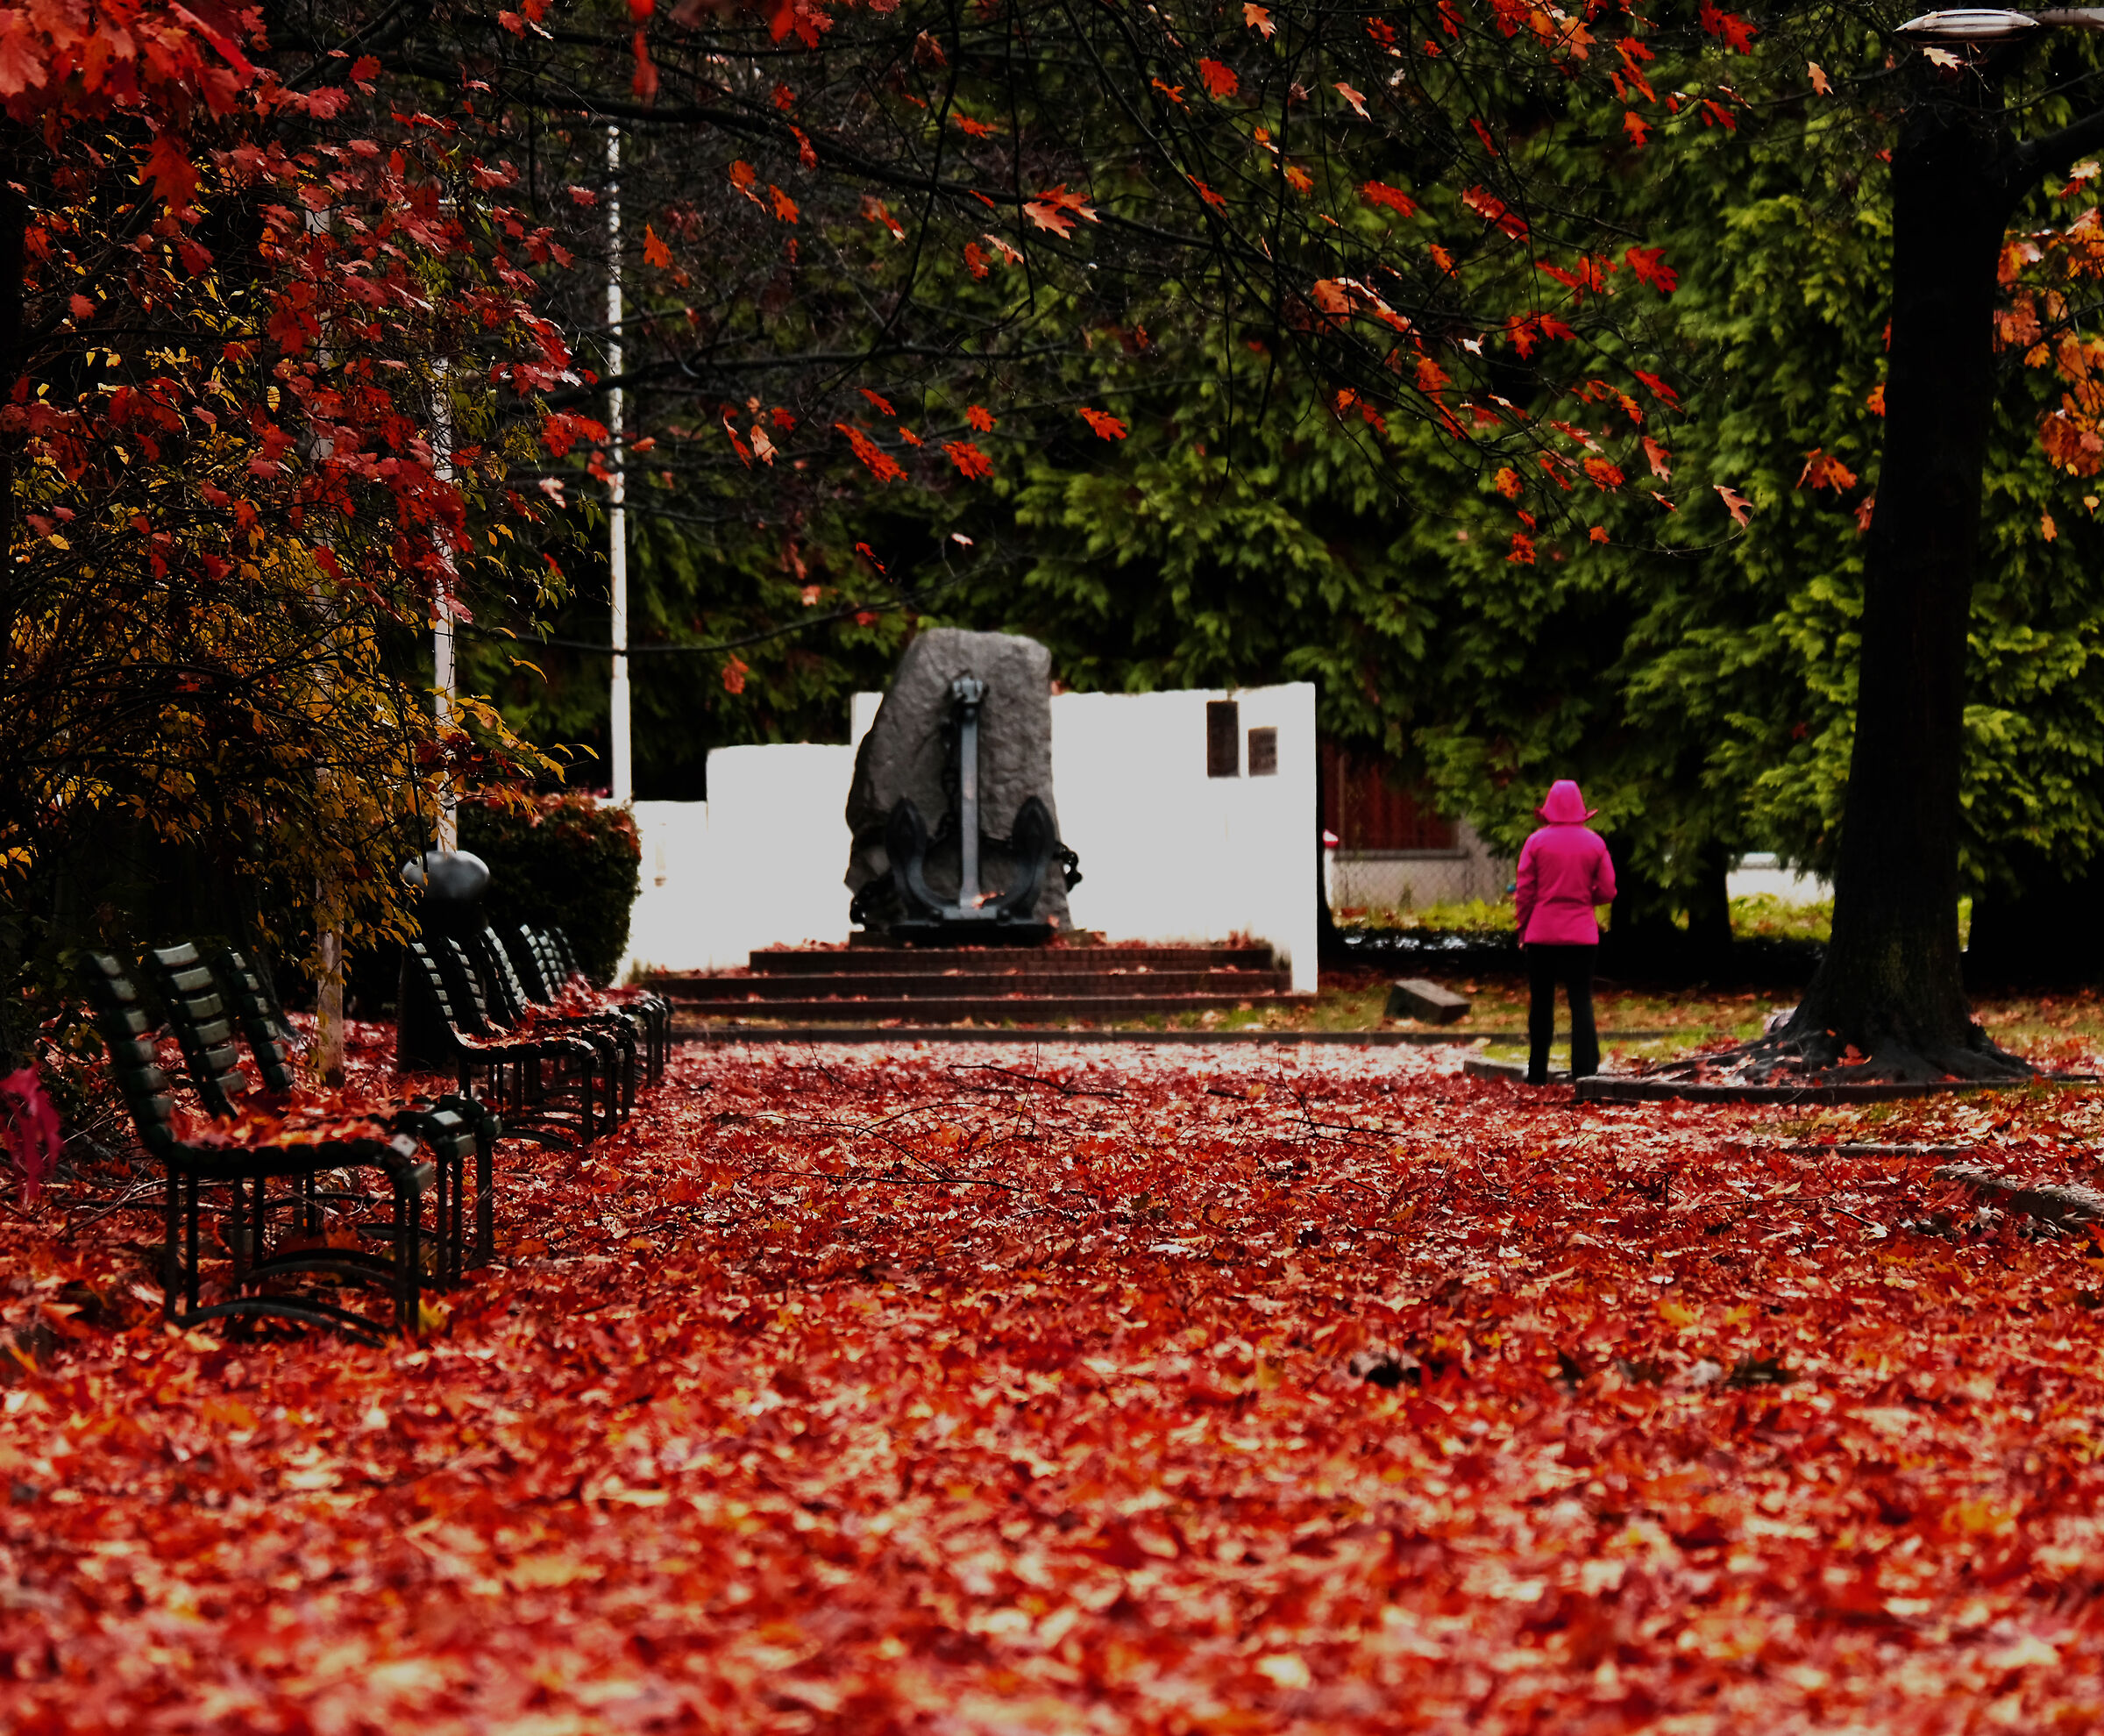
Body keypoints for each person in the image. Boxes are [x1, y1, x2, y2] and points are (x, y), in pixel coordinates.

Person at [1514, 779, 1617, 1085]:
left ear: (1549, 808)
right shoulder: (1595, 843)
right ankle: (1585, 1073)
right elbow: (1609, 890)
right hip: (1582, 935)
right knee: (1580, 1000)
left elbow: (1525, 891)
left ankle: (1536, 1072)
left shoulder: (1535, 842)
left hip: (1542, 933)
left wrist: (1523, 928)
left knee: (1541, 1001)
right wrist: (1586, 898)